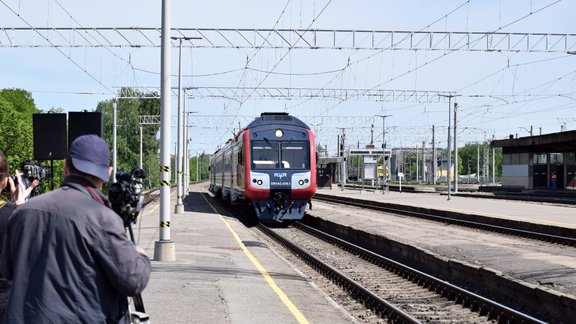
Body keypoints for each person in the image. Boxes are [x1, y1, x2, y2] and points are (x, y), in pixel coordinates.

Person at [0, 135, 151, 323]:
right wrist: (141, 256)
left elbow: (7, 270)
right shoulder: (104, 218)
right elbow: (133, 280)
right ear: (108, 171)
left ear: (65, 167)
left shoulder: (23, 212)